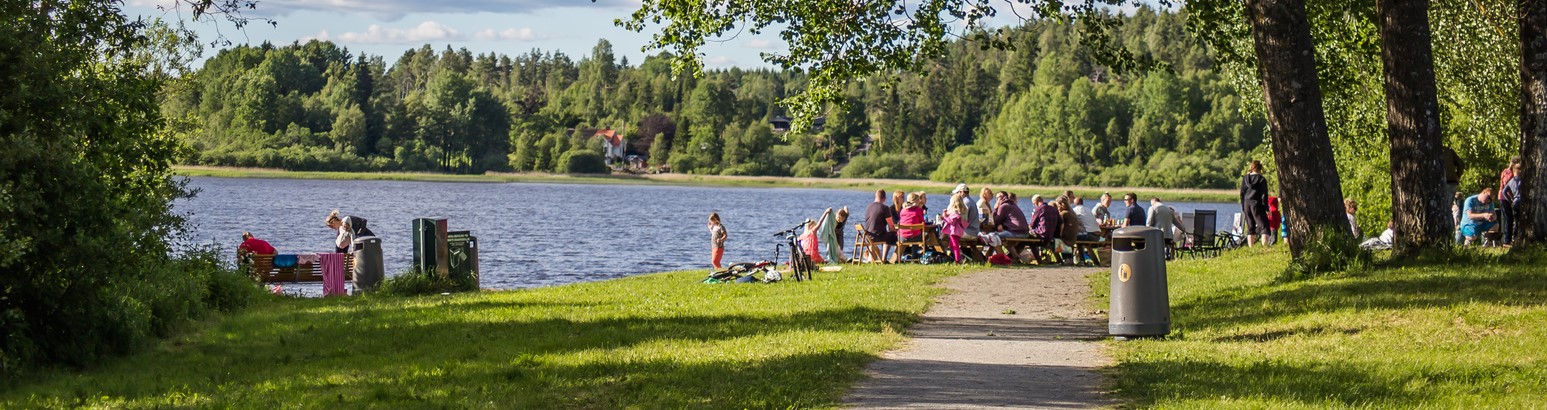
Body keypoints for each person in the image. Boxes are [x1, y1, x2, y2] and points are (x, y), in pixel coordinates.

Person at [1240, 160, 1271, 246]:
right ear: (1260, 169)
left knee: (1250, 227)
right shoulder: (1261, 179)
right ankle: (1264, 247)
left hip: (1246, 203)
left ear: (1252, 168)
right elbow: (1264, 195)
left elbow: (1242, 193)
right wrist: (1266, 208)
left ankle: (1251, 248)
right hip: (1256, 204)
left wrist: (1243, 206)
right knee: (1264, 227)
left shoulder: (1245, 178)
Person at [864, 189, 900, 263]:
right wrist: (899, 230)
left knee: (888, 235)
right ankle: (885, 259)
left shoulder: (868, 207)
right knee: (894, 235)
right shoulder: (885, 208)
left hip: (867, 236)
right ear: (884, 198)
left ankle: (875, 259)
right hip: (878, 236)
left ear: (875, 196)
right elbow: (891, 227)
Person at [941, 192, 968, 263]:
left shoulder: (955, 212)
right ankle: (954, 257)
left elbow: (951, 221)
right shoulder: (960, 211)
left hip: (954, 232)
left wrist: (944, 218)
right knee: (952, 245)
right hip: (958, 231)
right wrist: (946, 215)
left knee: (955, 245)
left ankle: (958, 259)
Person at [1501, 163, 1522, 246]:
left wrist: (1511, 200)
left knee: (1515, 221)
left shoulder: (1511, 181)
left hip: (1515, 202)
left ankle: (1515, 238)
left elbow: (1504, 192)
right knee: (1520, 221)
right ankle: (1518, 238)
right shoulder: (1522, 180)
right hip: (1521, 201)